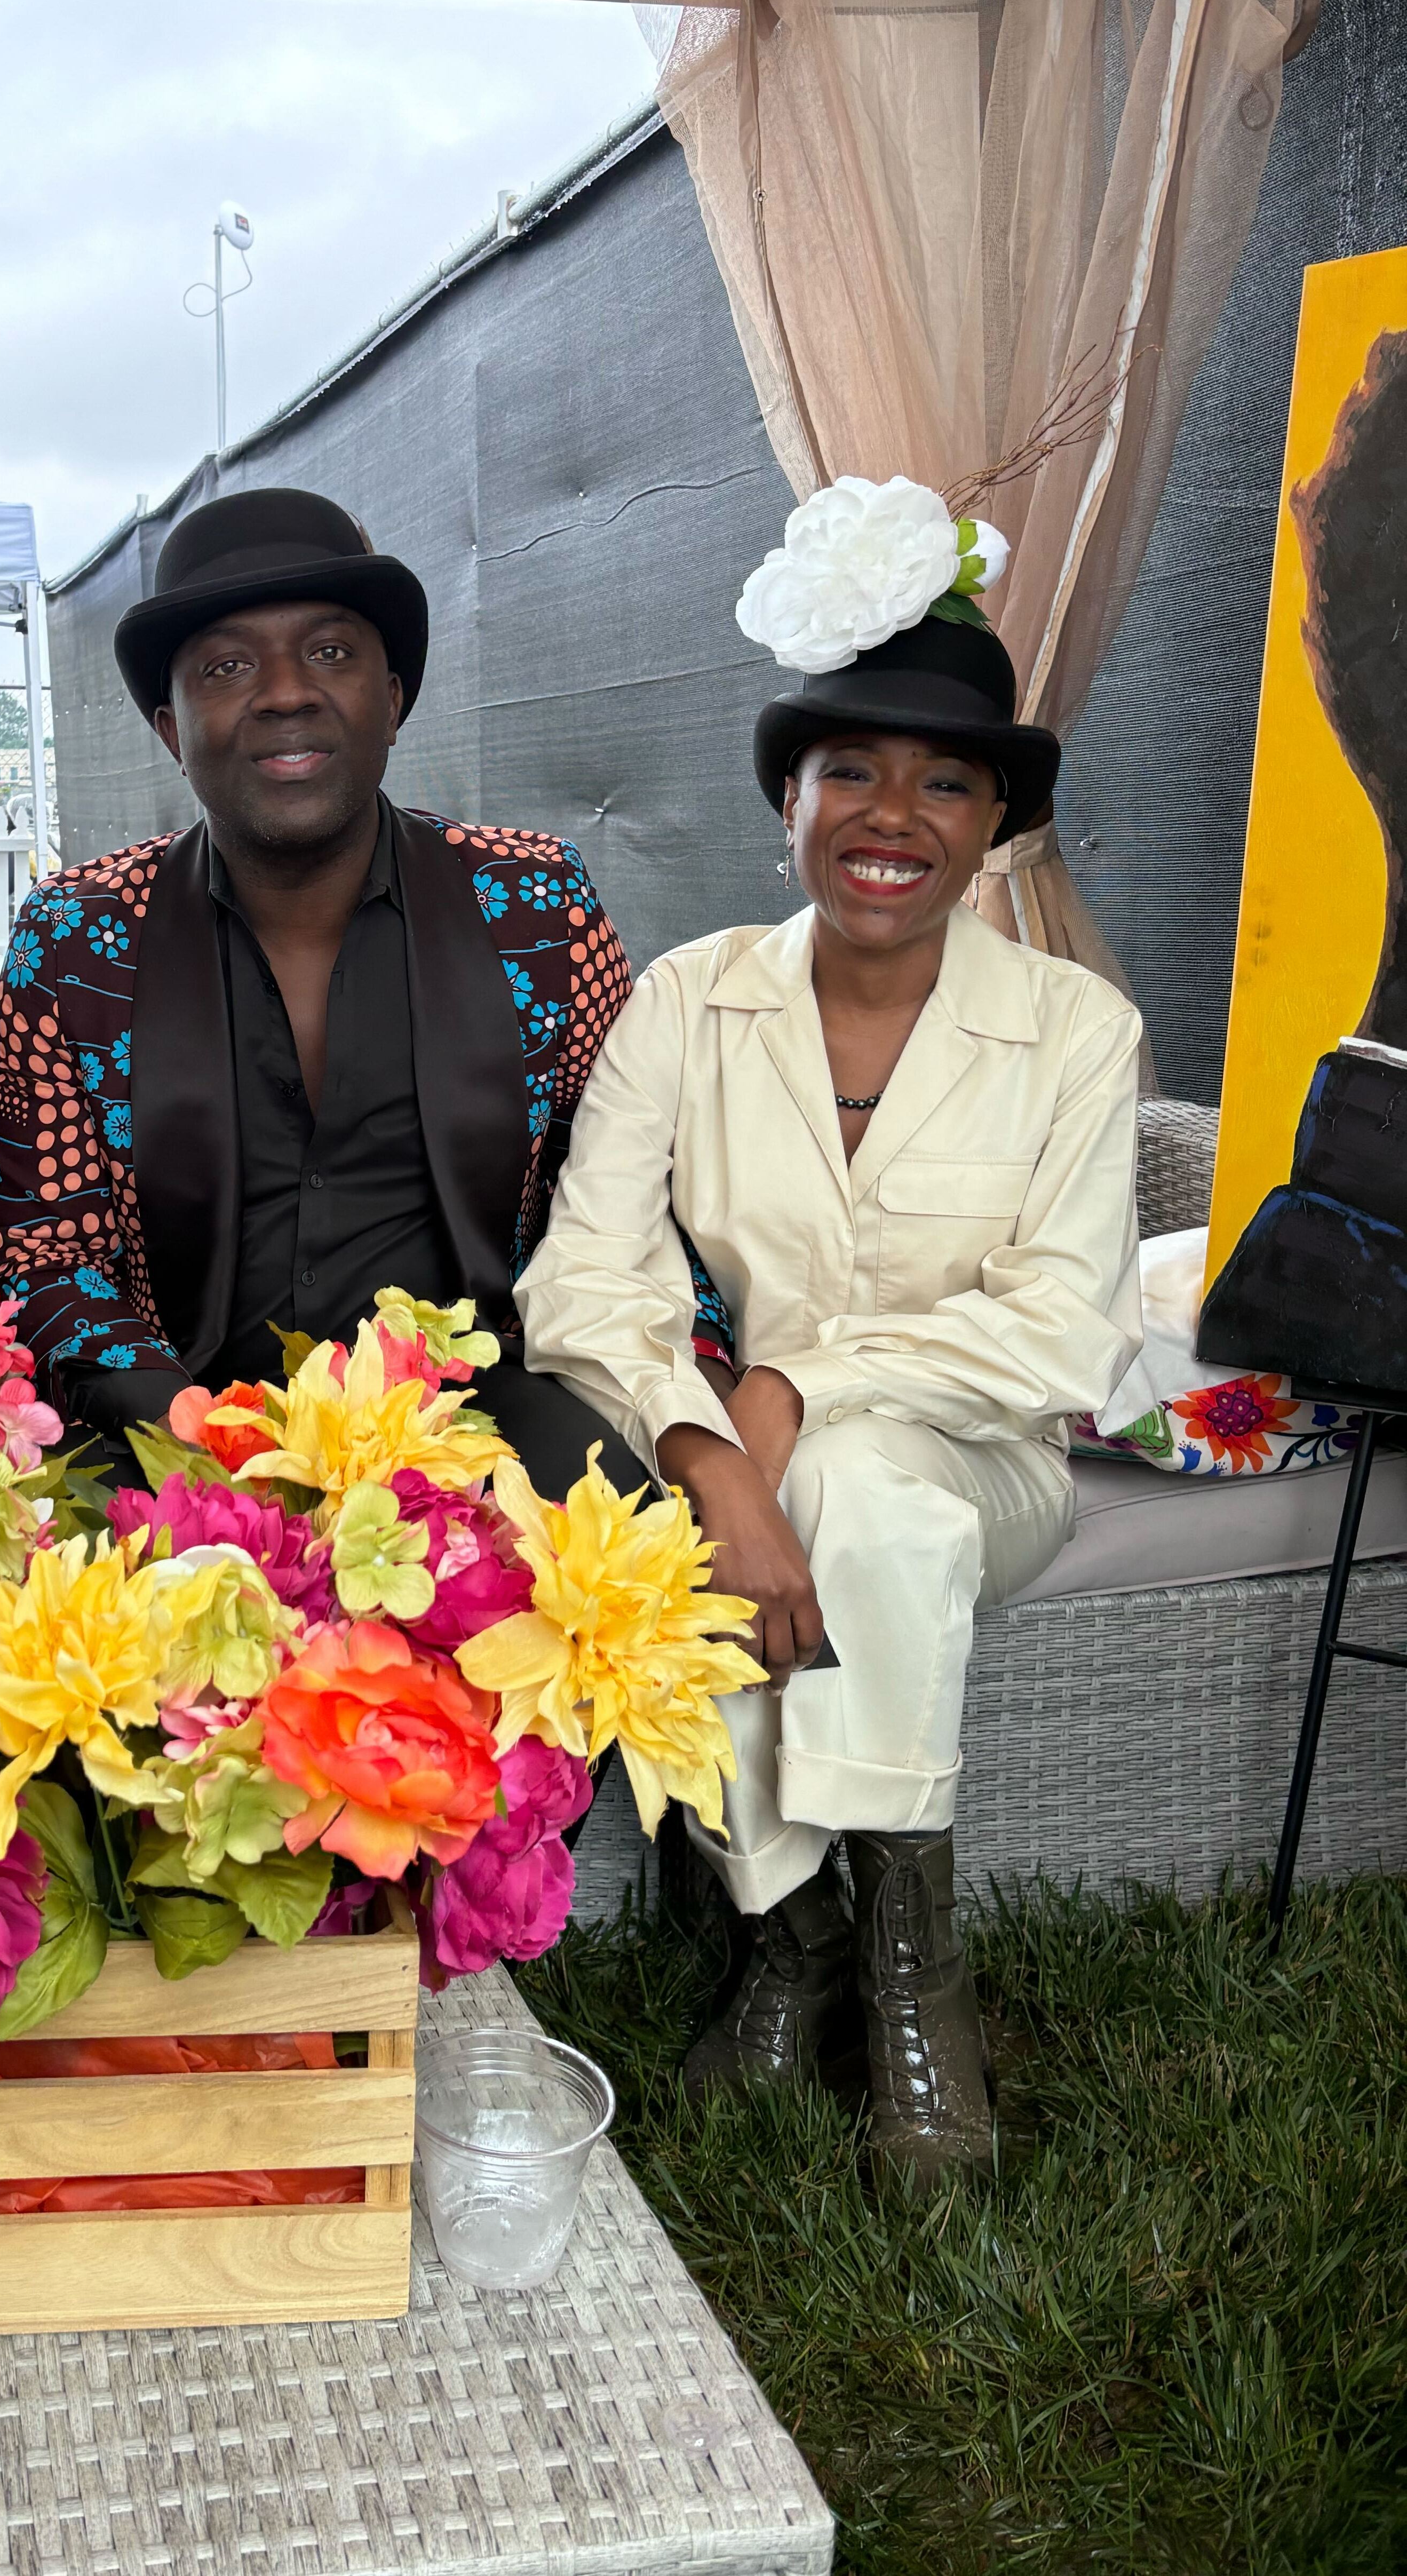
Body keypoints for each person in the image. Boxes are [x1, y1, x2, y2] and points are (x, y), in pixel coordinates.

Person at [518, 476, 1142, 2183]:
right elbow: (583, 1281)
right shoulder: (688, 998)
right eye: (848, 768)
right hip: (760, 1464)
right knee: (755, 1506)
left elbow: (1059, 1338)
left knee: (869, 1487)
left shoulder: (1075, 1028)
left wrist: (794, 1384)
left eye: (946, 779)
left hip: (981, 1470)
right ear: (785, 798)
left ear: (995, 818)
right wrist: (714, 1449)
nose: (893, 813)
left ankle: (885, 1967)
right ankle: (817, 1950)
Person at [0, 487, 731, 1494]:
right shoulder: (79, 935)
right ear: (170, 728)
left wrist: (707, 1404)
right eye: (228, 667)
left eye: (332, 652)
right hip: (176, 1426)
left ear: (396, 699)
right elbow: (41, 1249)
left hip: (483, 1417)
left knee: (661, 1608)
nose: (286, 692)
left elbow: (640, 1191)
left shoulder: (535, 904)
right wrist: (195, 1431)